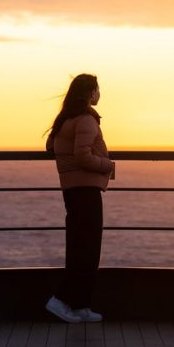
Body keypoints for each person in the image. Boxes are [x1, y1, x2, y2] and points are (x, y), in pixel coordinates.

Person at [44, 73, 115, 323]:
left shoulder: (66, 119)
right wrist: (108, 165)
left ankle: (80, 305)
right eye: (97, 89)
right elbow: (83, 156)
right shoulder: (85, 120)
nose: (99, 93)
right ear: (90, 93)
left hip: (73, 191)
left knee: (80, 246)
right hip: (86, 190)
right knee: (87, 249)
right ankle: (61, 300)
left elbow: (52, 146)